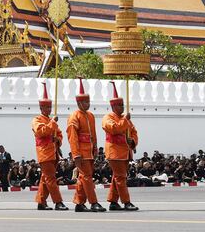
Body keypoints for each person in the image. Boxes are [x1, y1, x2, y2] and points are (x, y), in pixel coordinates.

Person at [66, 78, 105, 212]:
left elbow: (93, 135)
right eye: (85, 102)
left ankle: (79, 203)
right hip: (81, 153)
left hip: (89, 152)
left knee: (84, 177)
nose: (87, 104)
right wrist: (76, 154)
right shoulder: (74, 117)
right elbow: (73, 137)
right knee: (87, 177)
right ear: (78, 102)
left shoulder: (91, 116)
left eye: (88, 101)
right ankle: (93, 202)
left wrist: (95, 149)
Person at [101, 82, 139, 211]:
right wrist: (125, 120)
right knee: (121, 177)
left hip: (125, 152)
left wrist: (132, 140)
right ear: (112, 106)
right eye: (119, 105)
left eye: (122, 104)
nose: (122, 107)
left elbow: (134, 132)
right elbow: (114, 129)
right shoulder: (108, 117)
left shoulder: (125, 118)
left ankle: (113, 201)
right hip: (115, 152)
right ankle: (126, 202)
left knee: (117, 177)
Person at [32, 83, 67, 211]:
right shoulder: (37, 120)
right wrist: (52, 123)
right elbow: (41, 132)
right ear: (41, 108)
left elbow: (59, 134)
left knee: (45, 179)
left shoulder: (51, 121)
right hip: (44, 153)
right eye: (46, 107)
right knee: (51, 179)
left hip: (53, 153)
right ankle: (58, 202)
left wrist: (57, 139)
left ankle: (41, 202)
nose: (49, 109)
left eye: (50, 107)